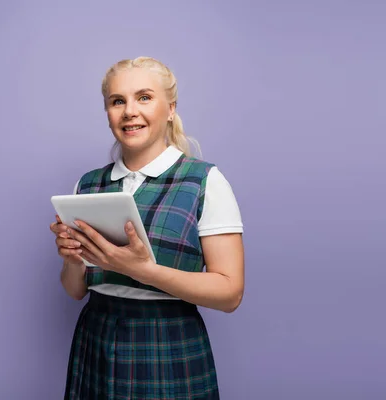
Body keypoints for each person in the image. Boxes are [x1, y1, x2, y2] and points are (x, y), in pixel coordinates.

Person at [50, 56, 245, 400]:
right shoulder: (89, 184)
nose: (129, 111)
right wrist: (72, 260)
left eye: (144, 97)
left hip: (168, 343)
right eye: (117, 101)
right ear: (108, 112)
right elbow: (76, 291)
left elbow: (230, 294)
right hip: (96, 338)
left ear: (170, 109)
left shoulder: (204, 181)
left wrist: (144, 271)